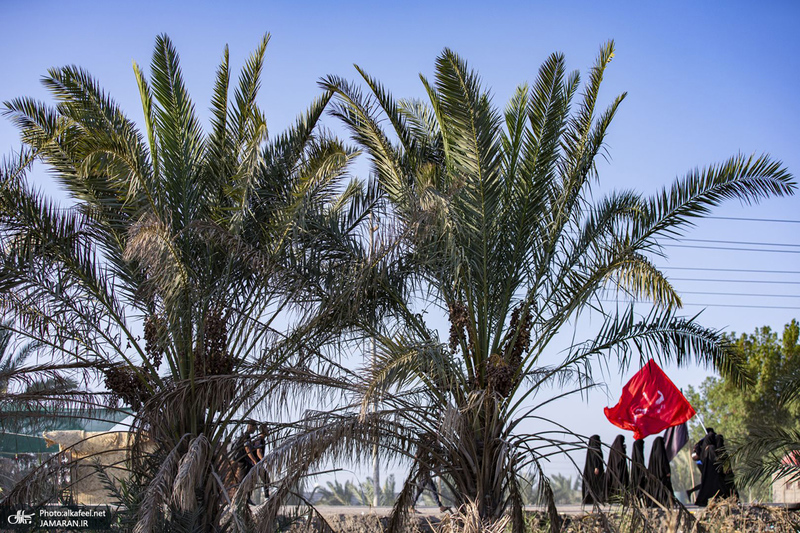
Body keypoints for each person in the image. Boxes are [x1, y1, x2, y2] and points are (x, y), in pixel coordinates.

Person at [412, 433, 448, 513]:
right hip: (424, 471)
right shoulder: (422, 447)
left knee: (425, 488)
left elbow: (416, 458)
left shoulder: (426, 447)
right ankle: (440, 506)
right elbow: (416, 457)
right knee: (429, 488)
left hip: (425, 470)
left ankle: (440, 506)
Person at [646, 436, 674, 508]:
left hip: (655, 476)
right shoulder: (661, 452)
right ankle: (667, 503)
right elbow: (664, 462)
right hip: (662, 475)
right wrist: (667, 471)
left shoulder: (653, 454)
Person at [581, 435, 605, 504]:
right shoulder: (595, 448)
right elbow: (596, 458)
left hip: (592, 470)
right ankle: (594, 499)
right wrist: (596, 467)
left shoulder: (591, 448)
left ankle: (594, 499)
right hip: (595, 470)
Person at [605, 435, 629, 502]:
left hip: (614, 471)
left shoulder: (614, 447)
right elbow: (620, 459)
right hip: (618, 471)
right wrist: (623, 450)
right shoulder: (617, 448)